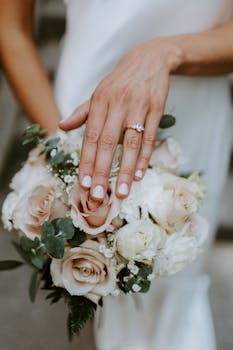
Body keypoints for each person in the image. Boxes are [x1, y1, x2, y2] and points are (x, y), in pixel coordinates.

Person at [0, 1, 233, 349]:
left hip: (193, 118)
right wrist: (62, 148)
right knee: (88, 302)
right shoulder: (70, 139)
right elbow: (11, 28)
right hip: (81, 114)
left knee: (170, 295)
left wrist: (166, 52)